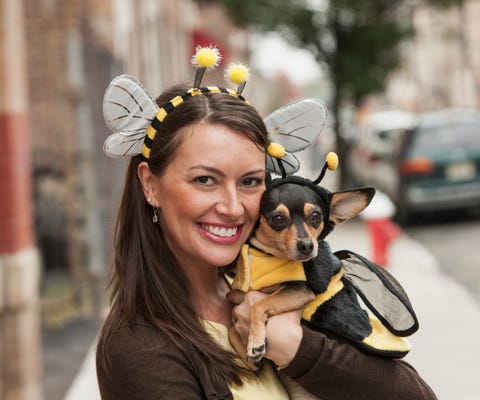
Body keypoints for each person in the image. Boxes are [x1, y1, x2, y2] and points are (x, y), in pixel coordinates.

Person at [96, 47, 436, 400]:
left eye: (250, 182)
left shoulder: (277, 285)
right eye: (204, 180)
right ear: (151, 184)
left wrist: (297, 348)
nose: (232, 207)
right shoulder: (139, 348)